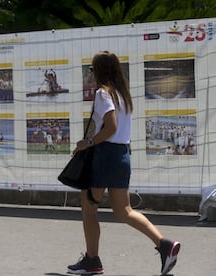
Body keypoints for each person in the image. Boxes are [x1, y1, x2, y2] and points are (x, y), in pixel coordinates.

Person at [68, 51, 180, 275]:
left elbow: (110, 127)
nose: (91, 74)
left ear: (99, 71)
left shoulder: (102, 94)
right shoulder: (123, 95)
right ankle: (164, 244)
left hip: (103, 157)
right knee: (124, 210)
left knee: (89, 209)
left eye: (92, 69)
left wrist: (87, 142)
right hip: (121, 156)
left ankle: (92, 260)